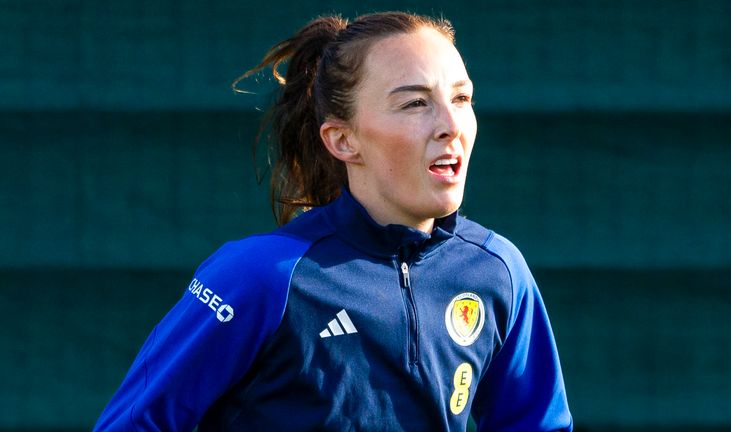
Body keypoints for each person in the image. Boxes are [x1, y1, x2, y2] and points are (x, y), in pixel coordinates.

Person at [94, 11, 572, 431]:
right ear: (343, 140)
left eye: (462, 98)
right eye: (415, 103)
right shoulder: (261, 276)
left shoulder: (498, 272)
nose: (451, 123)